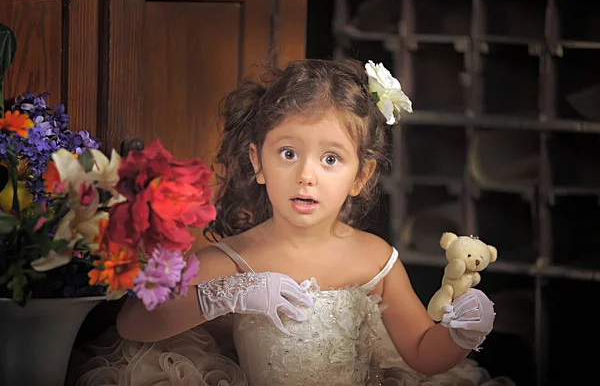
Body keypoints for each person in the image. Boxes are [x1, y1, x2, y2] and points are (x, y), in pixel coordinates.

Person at [68, 59, 514, 386]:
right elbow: (133, 323)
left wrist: (461, 333)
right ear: (256, 162)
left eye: (331, 159)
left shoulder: (376, 259)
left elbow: (422, 354)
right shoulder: (234, 259)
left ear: (362, 176)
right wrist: (227, 296)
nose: (306, 174)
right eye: (287, 153)